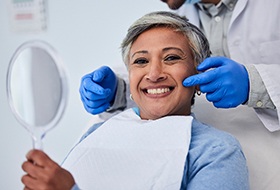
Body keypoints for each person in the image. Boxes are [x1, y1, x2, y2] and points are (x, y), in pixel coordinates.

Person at [21, 11, 249, 190]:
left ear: (198, 75)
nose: (154, 73)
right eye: (140, 61)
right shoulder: (97, 133)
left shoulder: (215, 151)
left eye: (171, 58)